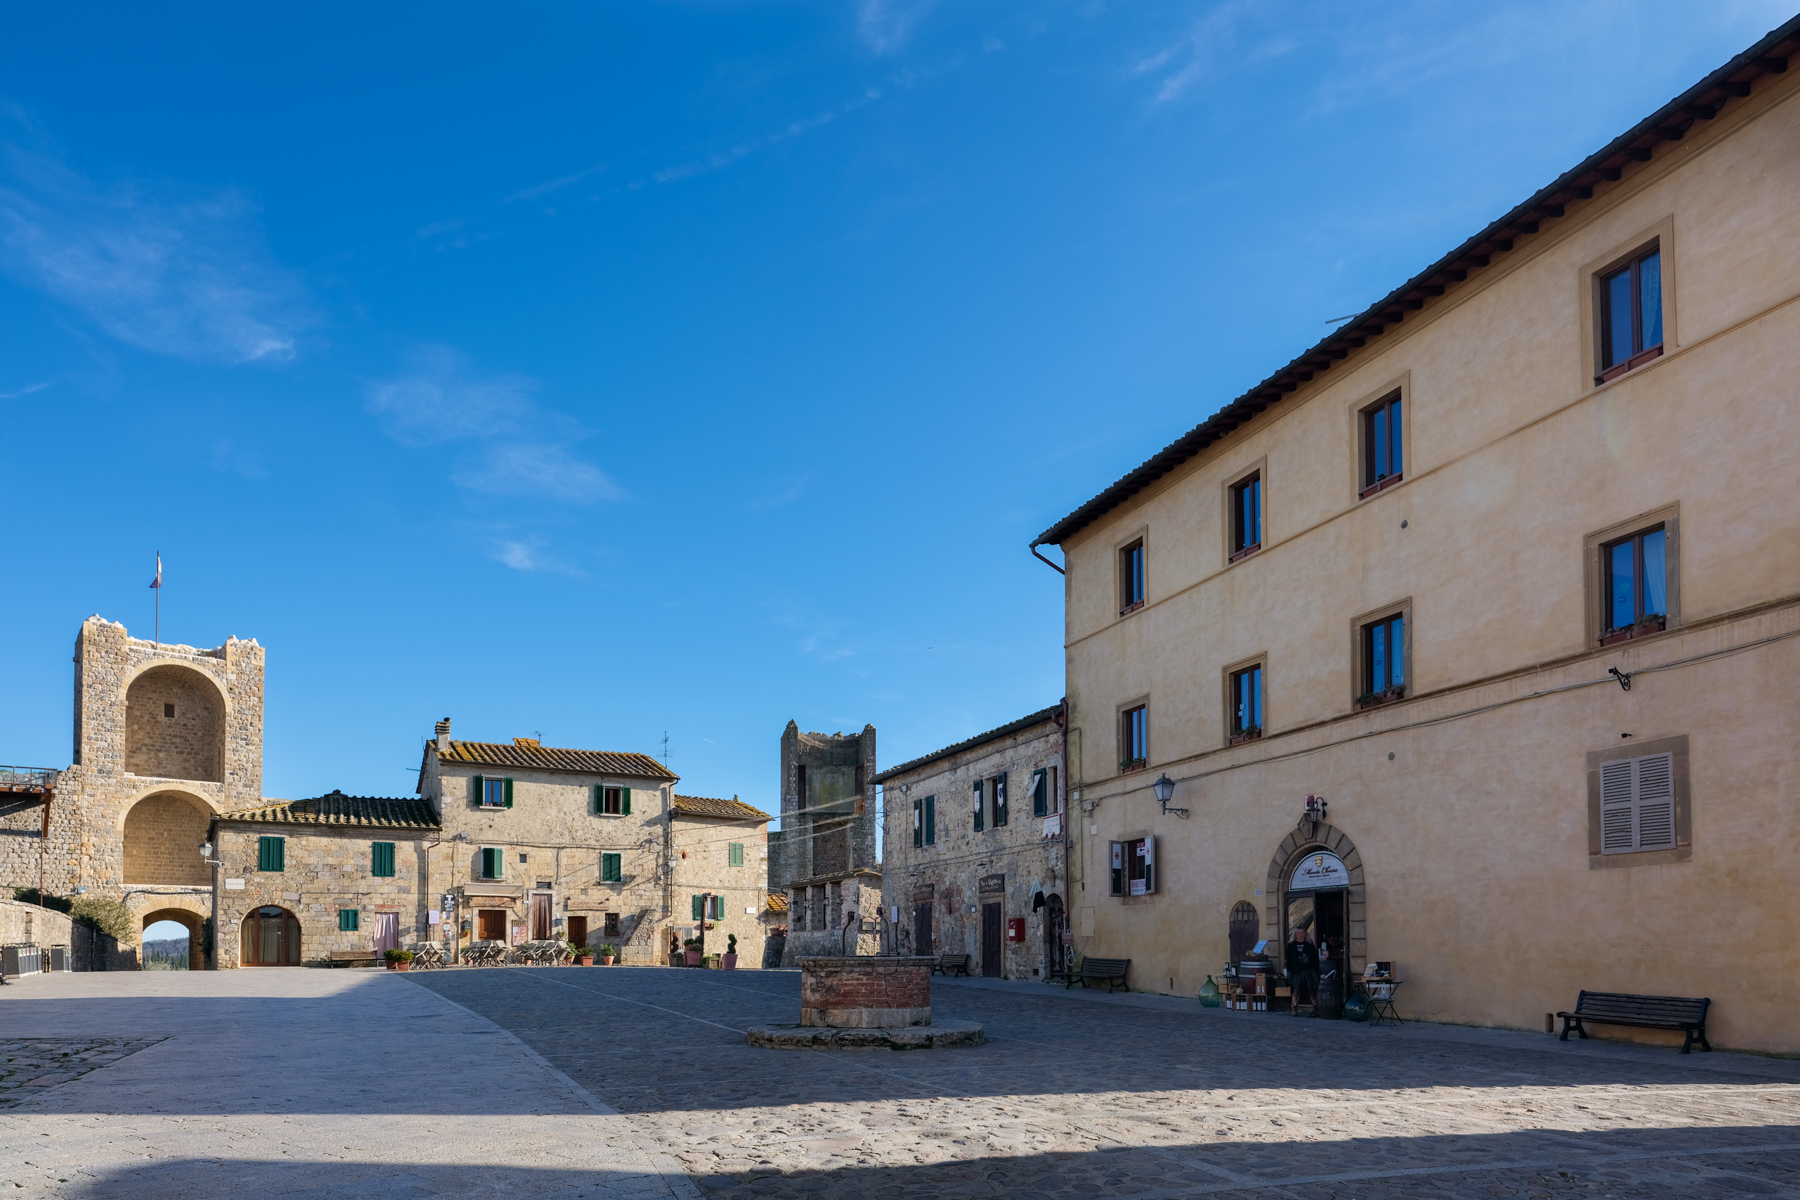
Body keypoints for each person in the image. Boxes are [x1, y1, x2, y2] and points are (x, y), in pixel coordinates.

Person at [1285, 926, 1320, 1016]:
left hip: (1309, 970)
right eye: (1299, 933)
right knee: (1296, 990)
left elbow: (1315, 958)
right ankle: (1294, 1008)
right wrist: (1290, 971)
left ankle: (1315, 1009)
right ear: (1295, 934)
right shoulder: (1291, 945)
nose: (1301, 935)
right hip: (1297, 971)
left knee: (1311, 990)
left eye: (1303, 933)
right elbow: (1288, 959)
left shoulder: (1309, 944)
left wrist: (1316, 969)